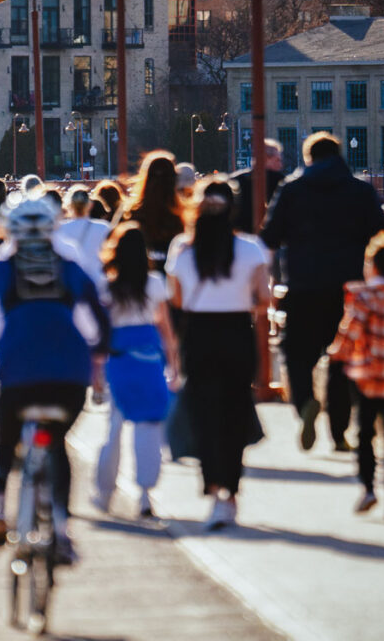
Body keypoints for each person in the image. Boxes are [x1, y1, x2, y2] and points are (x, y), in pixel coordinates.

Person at [0, 192, 110, 561]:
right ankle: (61, 528)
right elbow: (101, 315)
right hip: (70, 373)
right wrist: (101, 346)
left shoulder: (2, 267)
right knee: (57, 444)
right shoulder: (69, 265)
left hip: (19, 370)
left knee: (6, 442)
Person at [261, 132, 384, 452]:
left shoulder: (291, 189)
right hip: (349, 289)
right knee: (342, 359)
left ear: (308, 158)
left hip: (303, 285)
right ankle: (340, 432)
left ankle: (304, 402)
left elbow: (271, 235)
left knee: (296, 353)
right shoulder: (360, 190)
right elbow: (379, 232)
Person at [167, 177, 270, 530]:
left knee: (204, 413)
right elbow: (263, 297)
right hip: (237, 332)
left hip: (199, 335)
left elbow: (177, 299)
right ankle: (232, 489)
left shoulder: (182, 249)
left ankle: (212, 487)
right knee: (235, 411)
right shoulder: (251, 249)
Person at [327, 232, 384, 522]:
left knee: (365, 431)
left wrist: (337, 352)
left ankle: (367, 488)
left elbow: (350, 332)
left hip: (366, 374)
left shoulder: (363, 296)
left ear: (372, 265)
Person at [94, 223, 178, 519]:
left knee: (114, 425)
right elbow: (166, 328)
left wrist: (95, 375)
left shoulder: (107, 285)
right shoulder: (155, 283)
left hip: (119, 356)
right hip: (149, 356)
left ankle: (105, 492)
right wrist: (175, 365)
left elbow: (99, 333)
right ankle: (145, 494)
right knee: (149, 424)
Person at [116, 152, 184, 273]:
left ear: (145, 179)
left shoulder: (130, 212)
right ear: (174, 181)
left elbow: (113, 247)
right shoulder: (183, 214)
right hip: (174, 282)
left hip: (139, 281)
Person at [55, 187, 112, 285]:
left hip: (72, 283)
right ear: (90, 205)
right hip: (98, 280)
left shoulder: (60, 229)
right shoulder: (104, 227)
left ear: (69, 205)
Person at [233, 139, 285, 234]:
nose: (280, 165)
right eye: (278, 160)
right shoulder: (280, 182)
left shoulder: (236, 180)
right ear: (266, 158)